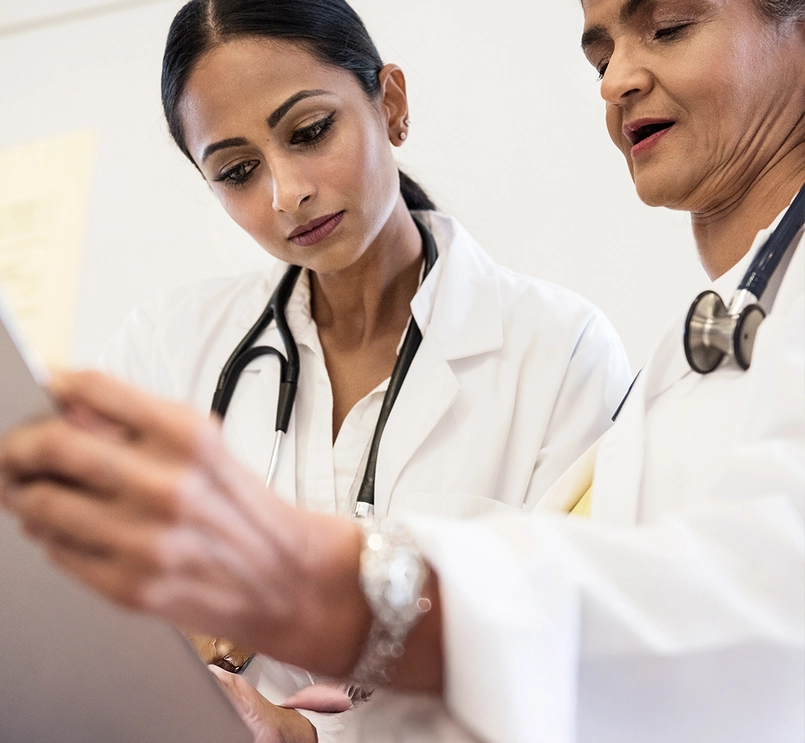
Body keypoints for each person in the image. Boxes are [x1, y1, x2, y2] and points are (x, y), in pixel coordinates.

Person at [1, 0, 803, 740]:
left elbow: (650, 636)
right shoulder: (166, 342)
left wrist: (319, 607)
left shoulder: (558, 349)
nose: (287, 192)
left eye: (310, 130)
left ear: (390, 104)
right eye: (237, 172)